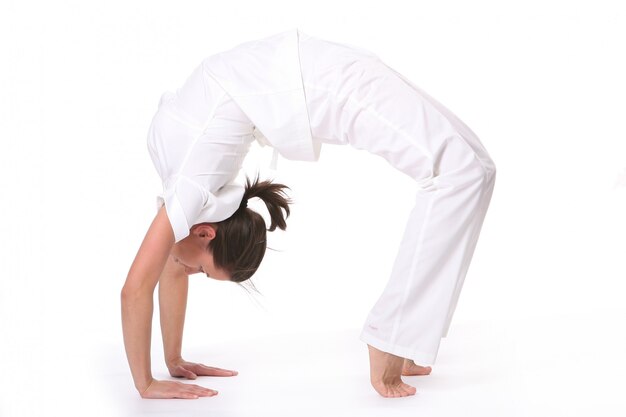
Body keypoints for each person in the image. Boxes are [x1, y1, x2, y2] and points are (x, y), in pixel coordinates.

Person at [121, 28, 496, 400]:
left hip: (324, 85)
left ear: (206, 234)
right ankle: (408, 335)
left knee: (459, 172)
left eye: (201, 270)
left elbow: (135, 288)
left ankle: (391, 336)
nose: (189, 273)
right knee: (476, 168)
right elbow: (171, 265)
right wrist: (174, 359)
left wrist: (145, 383)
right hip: (322, 69)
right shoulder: (194, 195)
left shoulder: (190, 185)